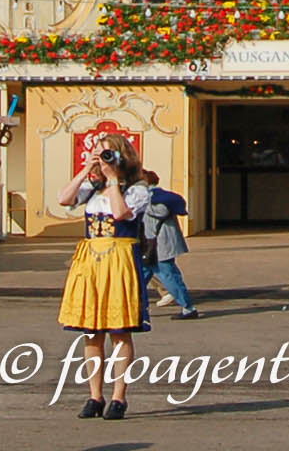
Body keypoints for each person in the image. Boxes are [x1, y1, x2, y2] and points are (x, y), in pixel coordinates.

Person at [57, 137, 151, 421]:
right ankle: (94, 395)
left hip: (120, 258)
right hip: (92, 260)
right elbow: (64, 198)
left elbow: (122, 214)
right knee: (91, 331)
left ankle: (118, 397)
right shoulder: (91, 188)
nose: (102, 158)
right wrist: (87, 170)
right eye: (99, 152)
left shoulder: (137, 189)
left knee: (120, 330)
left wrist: (113, 180)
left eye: (107, 153)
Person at [138, 170, 201, 319]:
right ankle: (138, 308)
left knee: (167, 275)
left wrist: (142, 203)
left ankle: (188, 307)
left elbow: (160, 212)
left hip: (158, 244)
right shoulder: (160, 196)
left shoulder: (151, 198)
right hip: (154, 244)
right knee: (141, 277)